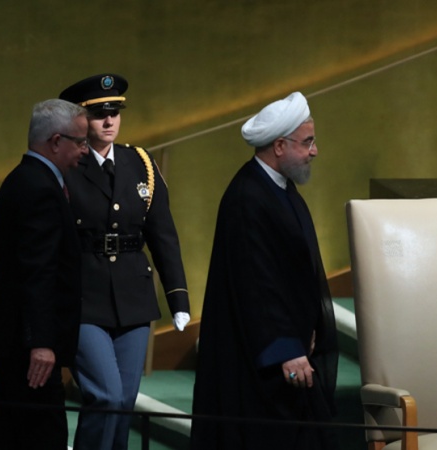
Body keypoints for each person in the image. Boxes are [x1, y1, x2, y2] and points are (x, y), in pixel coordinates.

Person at [190, 92, 339, 450]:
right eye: (307, 142)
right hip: (263, 362)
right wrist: (286, 348)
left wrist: (309, 327)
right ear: (279, 146)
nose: (314, 151)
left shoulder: (278, 188)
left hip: (289, 351)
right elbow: (257, 284)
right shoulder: (248, 197)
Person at [58, 73, 191, 450]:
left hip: (133, 295)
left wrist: (178, 298)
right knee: (106, 396)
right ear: (82, 119)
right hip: (84, 296)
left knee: (124, 403)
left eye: (114, 113)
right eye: (99, 114)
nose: (109, 121)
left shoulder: (141, 163)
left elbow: (163, 235)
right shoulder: (69, 165)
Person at [0, 99, 89, 450]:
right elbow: (37, 271)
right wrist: (42, 342)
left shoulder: (26, 179)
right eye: (80, 142)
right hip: (28, 349)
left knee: (14, 435)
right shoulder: (39, 188)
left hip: (17, 340)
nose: (85, 151)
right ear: (55, 141)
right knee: (40, 437)